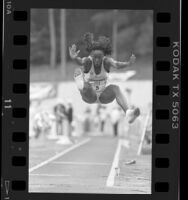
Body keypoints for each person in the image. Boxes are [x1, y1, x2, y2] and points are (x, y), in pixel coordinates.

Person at [69, 32, 140, 124]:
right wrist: (74, 58)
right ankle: (81, 86)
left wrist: (128, 63)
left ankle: (128, 113)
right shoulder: (88, 61)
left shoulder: (106, 61)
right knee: (81, 77)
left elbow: (117, 65)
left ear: (103, 56)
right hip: (90, 95)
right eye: (95, 57)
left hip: (103, 95)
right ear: (92, 56)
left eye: (100, 57)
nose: (97, 60)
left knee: (116, 88)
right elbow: (80, 61)